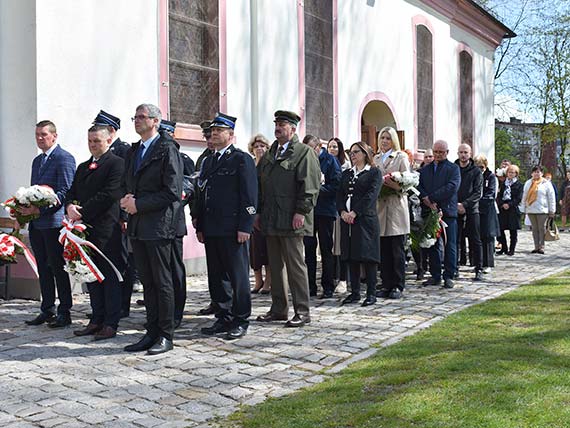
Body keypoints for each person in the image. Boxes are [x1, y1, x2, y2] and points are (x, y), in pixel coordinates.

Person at [121, 103, 183, 355]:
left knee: (162, 281)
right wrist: (126, 200)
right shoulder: (135, 150)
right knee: (147, 281)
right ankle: (151, 331)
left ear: (156, 121)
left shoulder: (167, 148)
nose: (136, 120)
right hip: (138, 224)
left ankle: (165, 335)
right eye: (134, 117)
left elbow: (171, 191)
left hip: (159, 225)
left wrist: (139, 204)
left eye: (141, 117)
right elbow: (128, 182)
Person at [195, 113, 258, 340]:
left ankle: (241, 319)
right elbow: (203, 195)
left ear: (231, 135)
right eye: (213, 130)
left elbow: (250, 196)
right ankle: (223, 316)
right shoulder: (209, 161)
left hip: (233, 228)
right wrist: (200, 225)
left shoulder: (242, 159)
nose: (214, 133)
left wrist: (246, 226)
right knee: (217, 275)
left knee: (238, 276)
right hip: (212, 228)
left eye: (219, 130)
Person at [256, 110, 320, 328]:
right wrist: (257, 212)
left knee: (295, 267)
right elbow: (259, 184)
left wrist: (301, 212)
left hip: (292, 219)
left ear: (293, 129)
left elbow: (310, 186)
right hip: (271, 218)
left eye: (282, 124)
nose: (278, 128)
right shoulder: (270, 154)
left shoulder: (303, 153)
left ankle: (302, 311)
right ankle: (279, 309)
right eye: (276, 124)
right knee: (275, 266)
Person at [66, 125, 124, 340]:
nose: (92, 145)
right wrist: (70, 206)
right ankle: (96, 319)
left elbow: (109, 194)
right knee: (90, 275)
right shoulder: (83, 166)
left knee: (108, 277)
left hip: (106, 230)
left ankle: (110, 323)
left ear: (109, 141)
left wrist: (82, 212)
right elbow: (72, 191)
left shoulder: (116, 164)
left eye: (97, 141)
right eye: (90, 141)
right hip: (84, 230)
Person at [24, 120, 76, 328]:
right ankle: (47, 309)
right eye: (37, 134)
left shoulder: (64, 159)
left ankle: (65, 311)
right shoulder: (37, 161)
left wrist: (41, 209)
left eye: (43, 134)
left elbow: (64, 192)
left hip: (54, 223)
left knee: (57, 267)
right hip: (37, 224)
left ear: (54, 136)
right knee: (43, 269)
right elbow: (34, 191)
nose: (39, 138)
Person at [92, 110, 138, 319]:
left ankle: (122, 305)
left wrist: (125, 216)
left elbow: (127, 185)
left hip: (119, 216)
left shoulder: (123, 150)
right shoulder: (99, 153)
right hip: (104, 217)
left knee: (122, 262)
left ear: (111, 131)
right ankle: (110, 306)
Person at [337, 142, 382, 305]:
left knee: (368, 257)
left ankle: (371, 293)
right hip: (347, 220)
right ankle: (354, 292)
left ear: (364, 153)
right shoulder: (347, 173)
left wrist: (355, 212)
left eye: (356, 152)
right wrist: (342, 211)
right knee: (351, 255)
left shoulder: (374, 173)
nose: (353, 155)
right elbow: (340, 194)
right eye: (351, 152)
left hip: (365, 220)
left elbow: (371, 196)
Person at [159, 119, 193, 329]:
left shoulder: (182, 157)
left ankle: (177, 310)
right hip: (155, 223)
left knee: (175, 269)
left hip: (174, 220)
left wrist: (180, 196)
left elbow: (189, 185)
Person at [418, 140, 461, 289]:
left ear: (447, 152)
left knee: (450, 244)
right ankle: (435, 275)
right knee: (432, 245)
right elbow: (419, 186)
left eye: (441, 152)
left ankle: (449, 275)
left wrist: (432, 198)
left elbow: (452, 187)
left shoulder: (453, 169)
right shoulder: (425, 170)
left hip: (447, 211)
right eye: (435, 152)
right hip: (429, 211)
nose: (437, 155)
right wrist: (427, 200)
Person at [302, 135, 341, 299]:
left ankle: (328, 286)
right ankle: (310, 286)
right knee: (309, 249)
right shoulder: (304, 160)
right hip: (309, 211)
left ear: (319, 147)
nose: (309, 152)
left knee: (326, 248)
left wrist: (316, 190)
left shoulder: (330, 161)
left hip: (325, 210)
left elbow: (336, 185)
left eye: (311, 149)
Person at [373, 127, 410, 300]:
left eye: (388, 138)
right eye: (382, 137)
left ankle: (397, 284)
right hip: (380, 206)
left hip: (395, 205)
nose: (385, 141)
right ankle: (386, 283)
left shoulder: (401, 156)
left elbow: (407, 183)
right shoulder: (376, 158)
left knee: (396, 249)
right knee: (384, 249)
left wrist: (392, 183)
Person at [192, 120, 221, 317]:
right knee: (214, 268)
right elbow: (197, 191)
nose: (209, 140)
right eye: (207, 137)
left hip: (225, 221)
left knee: (227, 268)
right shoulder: (204, 159)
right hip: (207, 219)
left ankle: (229, 304)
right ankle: (215, 301)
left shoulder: (234, 158)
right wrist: (196, 216)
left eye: (212, 136)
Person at [455, 143, 483, 281]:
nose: (463, 155)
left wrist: (464, 205)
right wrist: (456, 205)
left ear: (470, 154)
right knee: (455, 240)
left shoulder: (476, 171)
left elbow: (478, 192)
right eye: (461, 152)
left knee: (475, 240)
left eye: (466, 152)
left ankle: (479, 268)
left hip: (472, 209)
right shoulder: (453, 168)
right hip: (454, 208)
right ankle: (454, 268)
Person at [248, 134, 272, 294]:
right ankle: (258, 280)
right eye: (256, 146)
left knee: (267, 248)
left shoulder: (270, 165)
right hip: (251, 212)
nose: (259, 149)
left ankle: (268, 281)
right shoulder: (249, 165)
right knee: (254, 250)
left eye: (262, 146)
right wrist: (251, 212)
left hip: (267, 212)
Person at [327, 137, 350, 291]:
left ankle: (343, 278)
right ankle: (333, 275)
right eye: (330, 146)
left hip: (341, 208)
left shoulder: (345, 165)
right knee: (331, 245)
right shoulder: (325, 163)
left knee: (340, 245)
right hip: (329, 208)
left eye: (335, 147)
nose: (332, 149)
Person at [520, 165, 556, 254]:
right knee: (534, 229)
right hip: (531, 209)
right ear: (532, 173)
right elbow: (524, 196)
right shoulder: (528, 183)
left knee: (542, 228)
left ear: (542, 173)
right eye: (535, 172)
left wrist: (552, 210)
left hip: (542, 210)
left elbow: (551, 197)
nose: (536, 173)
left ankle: (542, 246)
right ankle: (536, 246)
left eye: (538, 172)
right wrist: (523, 208)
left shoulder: (546, 183)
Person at [474, 155, 500, 273]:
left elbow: (491, 193)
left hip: (487, 209)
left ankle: (488, 263)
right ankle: (477, 262)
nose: (480, 169)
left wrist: (479, 201)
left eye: (482, 167)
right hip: (476, 209)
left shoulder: (491, 177)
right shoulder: (474, 175)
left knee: (488, 237)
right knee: (477, 237)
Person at [496, 164, 523, 256]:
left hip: (513, 208)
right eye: (509, 172)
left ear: (516, 174)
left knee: (513, 230)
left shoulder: (519, 185)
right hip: (503, 208)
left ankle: (512, 249)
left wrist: (509, 204)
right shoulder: (504, 183)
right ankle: (504, 247)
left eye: (513, 172)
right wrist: (501, 204)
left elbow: (518, 198)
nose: (511, 174)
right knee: (500, 229)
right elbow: (499, 196)